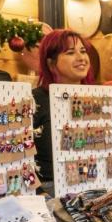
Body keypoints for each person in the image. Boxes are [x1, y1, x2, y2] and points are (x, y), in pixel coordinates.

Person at [33, 29, 96, 196]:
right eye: (70, 52)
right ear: (51, 63)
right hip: (50, 191)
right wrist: (39, 192)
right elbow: (19, 156)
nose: (81, 58)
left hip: (90, 185)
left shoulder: (95, 99)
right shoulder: (36, 100)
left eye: (83, 51)